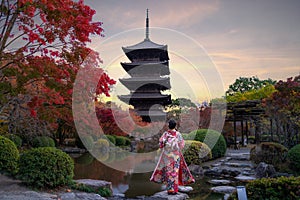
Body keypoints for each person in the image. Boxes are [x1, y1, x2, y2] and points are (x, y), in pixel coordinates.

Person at [150, 119, 195, 195]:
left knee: (169, 172)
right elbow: (181, 145)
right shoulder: (178, 134)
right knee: (175, 172)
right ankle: (174, 189)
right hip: (176, 155)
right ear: (175, 126)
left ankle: (169, 189)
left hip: (167, 155)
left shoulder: (165, 134)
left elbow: (161, 144)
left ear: (168, 126)